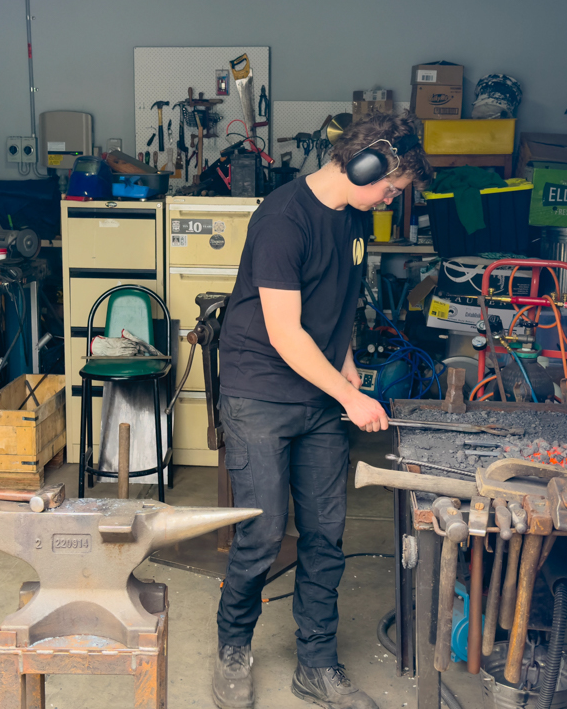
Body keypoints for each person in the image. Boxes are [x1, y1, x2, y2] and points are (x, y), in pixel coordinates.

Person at [211, 112, 433, 709]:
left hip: (321, 392)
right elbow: (284, 333)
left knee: (325, 536)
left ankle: (316, 663)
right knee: (260, 535)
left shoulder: (354, 218)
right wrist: (350, 396)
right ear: (362, 165)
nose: (392, 197)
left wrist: (348, 358)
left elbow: (334, 298)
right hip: (259, 390)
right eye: (390, 186)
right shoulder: (283, 220)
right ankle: (233, 646)